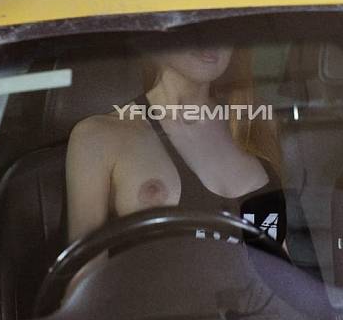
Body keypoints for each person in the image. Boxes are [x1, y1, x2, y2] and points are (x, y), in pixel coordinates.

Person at [66, 37, 288, 251]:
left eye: (221, 24)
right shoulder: (100, 137)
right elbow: (87, 270)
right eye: (193, 24)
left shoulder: (256, 124)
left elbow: (279, 257)